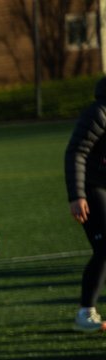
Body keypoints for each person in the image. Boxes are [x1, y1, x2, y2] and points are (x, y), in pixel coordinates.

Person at [64, 76, 106, 333]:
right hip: (93, 187)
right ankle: (85, 312)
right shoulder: (99, 112)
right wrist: (77, 195)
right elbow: (76, 152)